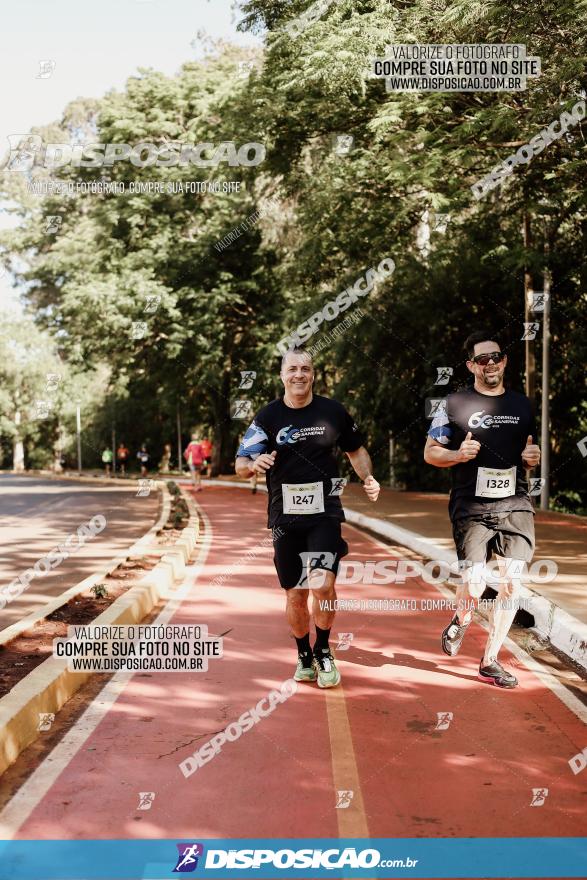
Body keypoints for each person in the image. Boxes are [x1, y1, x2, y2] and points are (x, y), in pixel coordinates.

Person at [235, 348, 380, 688]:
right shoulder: (267, 418)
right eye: (292, 369)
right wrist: (253, 466)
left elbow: (355, 449)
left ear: (313, 374)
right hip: (284, 518)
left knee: (322, 583)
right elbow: (241, 463)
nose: (299, 374)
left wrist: (368, 478)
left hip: (324, 514)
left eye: (306, 369)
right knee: (296, 593)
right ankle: (303, 653)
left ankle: (324, 649)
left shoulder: (332, 412)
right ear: (282, 376)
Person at [424, 331, 541, 689]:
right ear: (471, 365)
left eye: (496, 357)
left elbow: (528, 453)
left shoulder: (523, 405)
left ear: (504, 361)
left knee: (512, 584)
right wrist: (457, 455)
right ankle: (462, 616)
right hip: (471, 505)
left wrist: (530, 459)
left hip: (515, 501)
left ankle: (489, 661)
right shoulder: (454, 404)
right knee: (474, 587)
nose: (491, 363)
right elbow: (430, 452)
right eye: (483, 359)